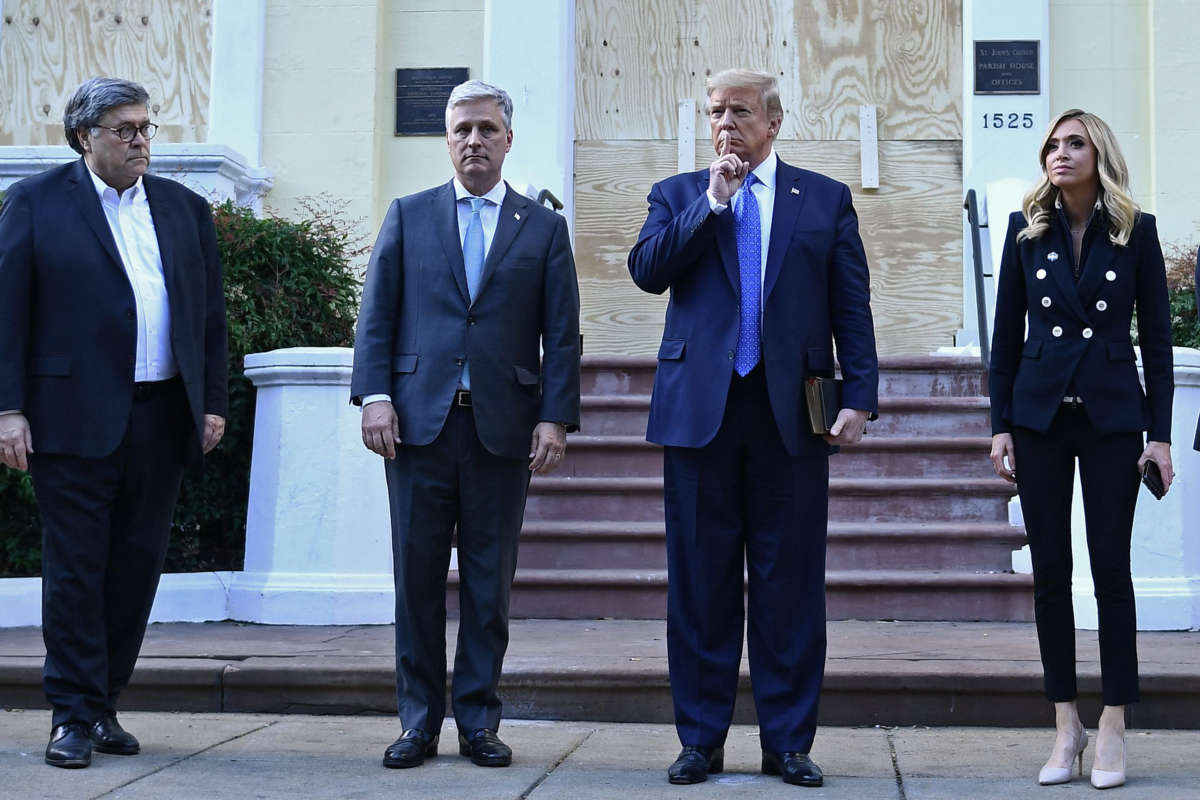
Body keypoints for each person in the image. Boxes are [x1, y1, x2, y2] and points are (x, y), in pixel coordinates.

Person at [627, 68, 878, 787]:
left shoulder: (823, 200)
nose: (725, 124)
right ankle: (701, 740)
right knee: (700, 586)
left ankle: (788, 742)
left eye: (740, 111)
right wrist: (712, 202)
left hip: (791, 417)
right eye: (715, 111)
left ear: (773, 122)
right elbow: (648, 270)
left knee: (790, 585)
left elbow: (850, 304)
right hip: (699, 414)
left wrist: (859, 394)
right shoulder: (678, 195)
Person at [351, 80, 581, 770]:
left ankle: (478, 721)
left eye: (486, 129)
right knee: (415, 582)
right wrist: (375, 397)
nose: (473, 141)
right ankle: (418, 722)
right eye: (461, 131)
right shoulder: (409, 215)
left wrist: (555, 419)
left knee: (488, 585)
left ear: (508, 139)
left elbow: (562, 336)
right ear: (447, 140)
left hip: (502, 432)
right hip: (417, 429)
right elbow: (378, 316)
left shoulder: (541, 228)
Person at [0, 77, 228, 768]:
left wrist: (210, 401)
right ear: (84, 137)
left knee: (135, 569)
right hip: (71, 418)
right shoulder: (35, 203)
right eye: (125, 129)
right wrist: (8, 408)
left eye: (146, 128)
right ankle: (69, 715)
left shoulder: (184, 210)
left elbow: (209, 319)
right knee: (76, 569)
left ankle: (103, 705)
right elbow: (7, 313)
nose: (140, 141)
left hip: (161, 417)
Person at [988, 109, 1173, 790]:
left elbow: (1155, 338)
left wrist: (1160, 437)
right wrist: (999, 424)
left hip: (1112, 419)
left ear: (1099, 154)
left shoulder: (1135, 231)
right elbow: (1005, 337)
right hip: (1038, 419)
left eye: (1074, 144)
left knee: (1111, 573)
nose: (1059, 155)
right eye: (1052, 146)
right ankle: (1065, 723)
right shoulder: (1023, 231)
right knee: (1050, 576)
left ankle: (1115, 723)